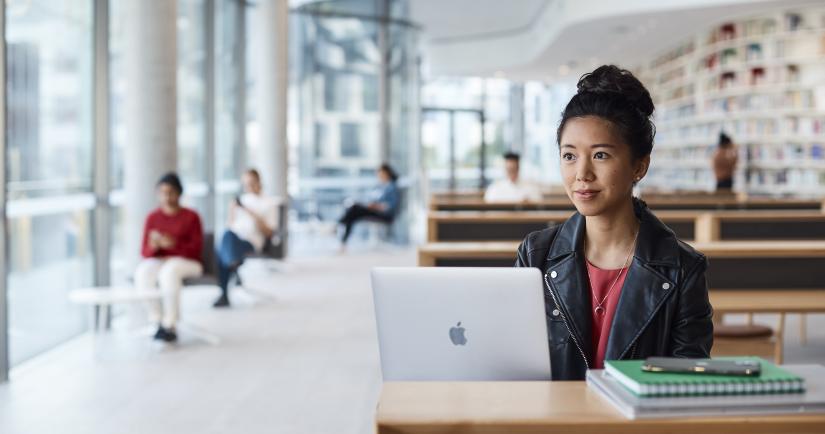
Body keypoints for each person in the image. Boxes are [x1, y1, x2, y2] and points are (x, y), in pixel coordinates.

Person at [515, 65, 713, 380]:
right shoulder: (535, 254)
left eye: (601, 155)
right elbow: (515, 362)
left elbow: (685, 383)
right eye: (569, 156)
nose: (582, 174)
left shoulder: (682, 268)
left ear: (639, 166)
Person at [135, 172, 204, 343]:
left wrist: (173, 246)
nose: (166, 197)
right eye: (162, 192)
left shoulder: (191, 216)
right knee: (143, 272)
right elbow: (144, 252)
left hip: (187, 262)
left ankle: (170, 324)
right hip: (160, 260)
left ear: (179, 193)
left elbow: (196, 250)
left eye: (170, 192)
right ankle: (157, 319)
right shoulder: (152, 217)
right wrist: (155, 246)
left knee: (169, 272)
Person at [213, 169, 279, 308]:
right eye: (245, 184)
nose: (248, 187)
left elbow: (269, 232)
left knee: (224, 251)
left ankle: (225, 291)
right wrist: (232, 210)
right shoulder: (241, 200)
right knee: (227, 235)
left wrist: (252, 214)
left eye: (251, 183)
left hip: (252, 241)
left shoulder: (268, 202)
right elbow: (230, 224)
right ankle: (233, 265)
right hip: (234, 237)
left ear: (259, 182)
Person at [338, 163, 400, 250]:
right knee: (352, 212)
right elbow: (371, 198)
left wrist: (376, 206)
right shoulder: (380, 186)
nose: (379, 176)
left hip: (384, 214)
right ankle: (342, 239)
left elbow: (391, 206)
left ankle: (338, 225)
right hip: (373, 210)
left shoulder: (392, 187)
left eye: (381, 174)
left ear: (387, 173)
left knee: (354, 210)